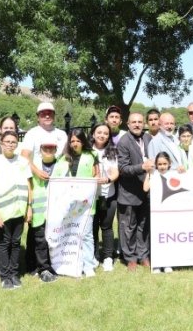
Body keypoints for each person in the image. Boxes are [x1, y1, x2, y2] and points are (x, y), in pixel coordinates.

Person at [0, 130, 33, 289]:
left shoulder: (23, 162)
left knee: (15, 242)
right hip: (2, 211)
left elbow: (29, 186)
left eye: (13, 142)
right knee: (3, 243)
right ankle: (5, 275)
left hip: (19, 208)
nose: (10, 145)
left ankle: (14, 273)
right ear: (1, 144)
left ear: (17, 145)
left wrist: (29, 208)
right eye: (7, 142)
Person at [51, 128, 100, 277]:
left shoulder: (92, 155)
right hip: (68, 202)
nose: (75, 143)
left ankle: (89, 265)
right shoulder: (63, 158)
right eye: (72, 141)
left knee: (86, 234)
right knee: (69, 232)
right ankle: (68, 262)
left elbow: (96, 174)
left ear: (83, 141)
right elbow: (56, 178)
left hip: (86, 202)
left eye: (78, 140)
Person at [117, 111, 154, 271]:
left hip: (146, 191)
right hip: (129, 193)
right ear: (128, 124)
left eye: (140, 122)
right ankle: (130, 258)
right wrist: (142, 167)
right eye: (134, 122)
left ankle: (143, 255)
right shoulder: (124, 141)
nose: (137, 124)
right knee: (128, 227)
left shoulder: (148, 138)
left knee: (144, 226)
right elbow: (123, 168)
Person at [27, 136, 62, 283]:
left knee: (55, 238)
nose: (48, 150)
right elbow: (28, 185)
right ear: (40, 150)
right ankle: (43, 268)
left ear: (56, 150)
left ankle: (54, 265)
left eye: (51, 148)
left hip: (57, 209)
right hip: (38, 208)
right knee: (40, 239)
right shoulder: (33, 165)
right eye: (45, 148)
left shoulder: (62, 165)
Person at [91, 123, 120, 272]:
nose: (102, 135)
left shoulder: (112, 151)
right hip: (91, 197)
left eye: (105, 133)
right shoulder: (87, 151)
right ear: (93, 133)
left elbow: (115, 172)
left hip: (109, 195)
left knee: (107, 227)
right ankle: (94, 256)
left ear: (109, 136)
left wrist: (108, 179)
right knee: (92, 227)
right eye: (99, 132)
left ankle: (108, 257)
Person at [20, 102, 67, 181]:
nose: (47, 116)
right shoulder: (31, 133)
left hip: (58, 179)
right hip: (37, 180)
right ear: (38, 117)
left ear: (54, 116)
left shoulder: (62, 134)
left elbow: (67, 156)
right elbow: (24, 157)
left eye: (50, 113)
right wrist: (37, 171)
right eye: (43, 114)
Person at [144, 152, 174, 274]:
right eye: (159, 164)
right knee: (156, 236)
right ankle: (156, 263)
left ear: (169, 164)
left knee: (168, 236)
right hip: (155, 212)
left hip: (169, 212)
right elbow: (145, 188)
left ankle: (167, 262)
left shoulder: (174, 175)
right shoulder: (153, 175)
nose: (162, 166)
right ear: (156, 165)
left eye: (164, 164)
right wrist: (149, 174)